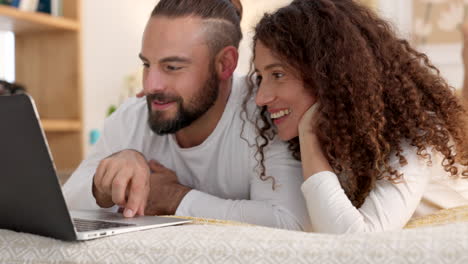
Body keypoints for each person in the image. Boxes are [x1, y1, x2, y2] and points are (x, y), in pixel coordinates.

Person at [63, 0, 311, 231]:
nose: (151, 86)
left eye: (172, 67)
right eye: (147, 65)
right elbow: (65, 202)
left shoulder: (266, 111)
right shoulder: (132, 116)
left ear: (225, 64)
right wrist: (103, 186)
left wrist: (174, 198)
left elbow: (289, 221)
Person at [247, 0, 468, 233]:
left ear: (327, 73)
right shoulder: (326, 136)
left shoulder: (416, 133)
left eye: (278, 74)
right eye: (261, 76)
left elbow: (355, 240)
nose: (261, 98)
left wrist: (309, 134)